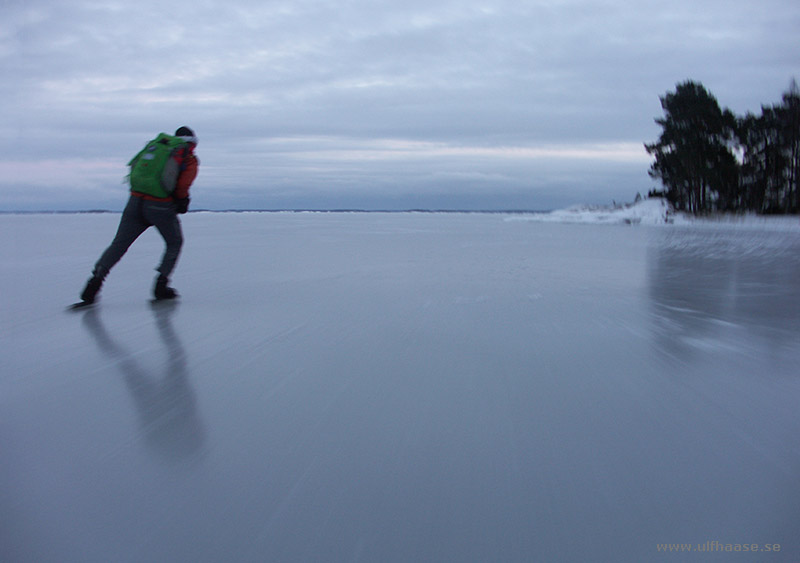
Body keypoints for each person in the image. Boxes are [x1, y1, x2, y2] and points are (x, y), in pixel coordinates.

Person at [79, 126, 199, 304]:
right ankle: (161, 286)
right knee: (174, 242)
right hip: (160, 206)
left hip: (135, 202)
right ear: (192, 142)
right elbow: (182, 186)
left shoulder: (158, 147)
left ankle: (94, 283)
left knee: (119, 244)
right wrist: (182, 200)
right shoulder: (187, 157)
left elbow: (135, 166)